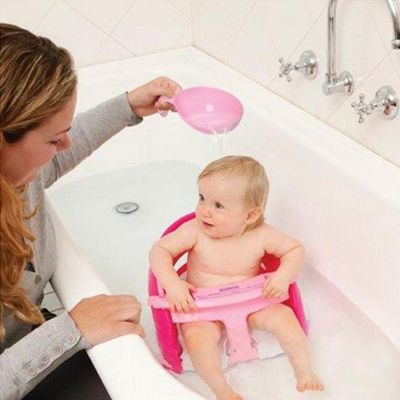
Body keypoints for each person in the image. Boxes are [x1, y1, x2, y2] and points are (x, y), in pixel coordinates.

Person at [0, 23, 181, 400]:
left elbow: (60, 154)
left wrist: (127, 107)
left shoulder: (17, 177)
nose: (65, 144)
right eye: (54, 139)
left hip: (26, 340)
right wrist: (70, 330)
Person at [149, 155, 324, 400]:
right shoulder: (194, 231)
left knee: (284, 318)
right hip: (201, 307)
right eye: (201, 198)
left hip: (253, 301)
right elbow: (159, 251)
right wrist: (173, 284)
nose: (204, 210)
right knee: (197, 339)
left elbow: (295, 250)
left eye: (218, 206)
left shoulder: (261, 235)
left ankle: (304, 372)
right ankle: (222, 391)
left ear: (250, 216)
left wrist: (283, 276)